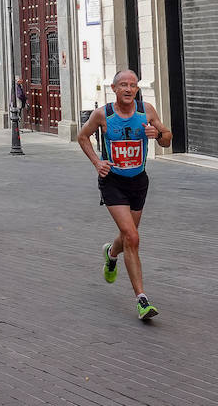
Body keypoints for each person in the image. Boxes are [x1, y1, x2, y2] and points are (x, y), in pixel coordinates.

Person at [77, 69, 172, 323]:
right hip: (113, 182)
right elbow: (82, 136)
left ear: (137, 89)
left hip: (139, 181)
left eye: (133, 85)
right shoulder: (103, 114)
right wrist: (97, 162)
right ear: (114, 88)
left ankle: (110, 253)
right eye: (123, 85)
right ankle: (142, 300)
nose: (129, 89)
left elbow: (167, 138)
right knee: (132, 236)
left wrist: (159, 135)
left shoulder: (147, 110)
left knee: (127, 237)